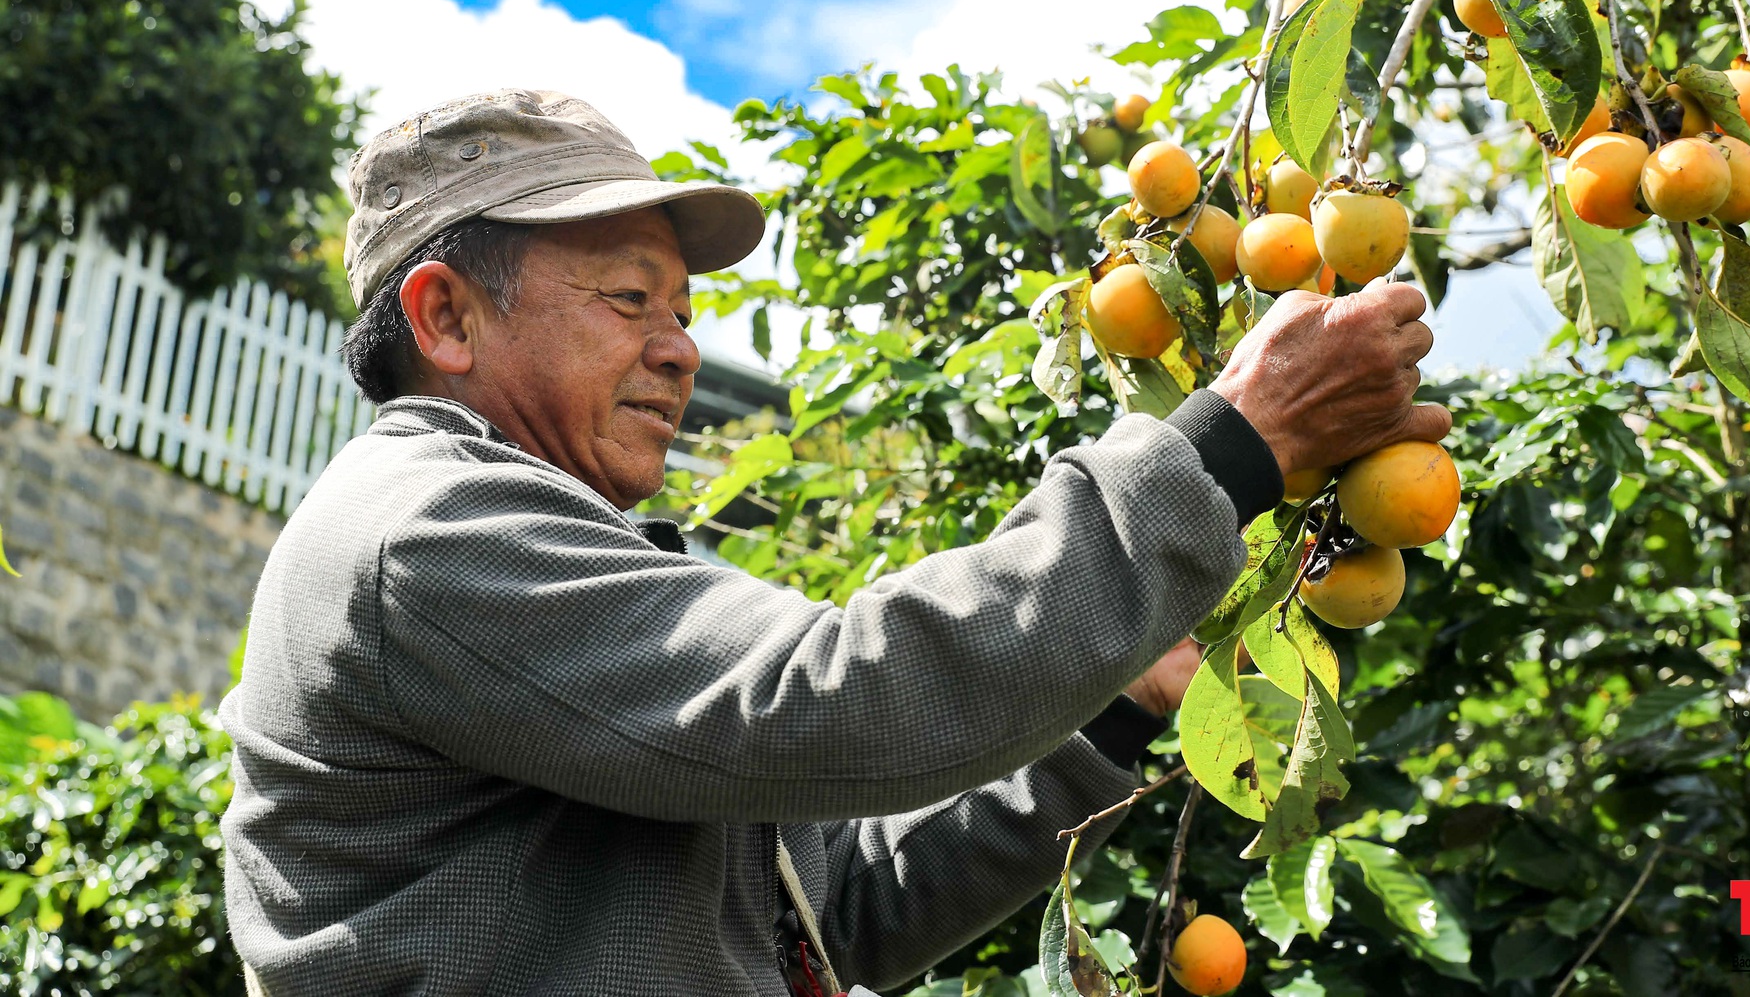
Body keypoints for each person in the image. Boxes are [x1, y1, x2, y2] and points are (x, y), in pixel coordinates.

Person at [219, 88, 1449, 996]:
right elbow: (832, 700)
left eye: (684, 311)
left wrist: (1112, 712)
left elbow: (834, 908)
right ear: (444, 315)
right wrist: (1230, 446)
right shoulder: (425, 533)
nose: (680, 347)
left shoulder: (562, 558)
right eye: (629, 298)